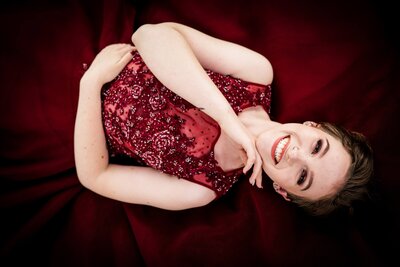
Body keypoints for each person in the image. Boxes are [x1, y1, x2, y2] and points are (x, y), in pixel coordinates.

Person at [74, 22, 373, 216]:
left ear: (284, 191)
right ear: (312, 126)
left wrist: (90, 85)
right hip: (98, 44)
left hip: (76, 126)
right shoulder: (256, 76)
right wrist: (228, 120)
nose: (297, 154)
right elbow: (149, 35)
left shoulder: (200, 189)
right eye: (317, 147)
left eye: (303, 177)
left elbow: (95, 176)